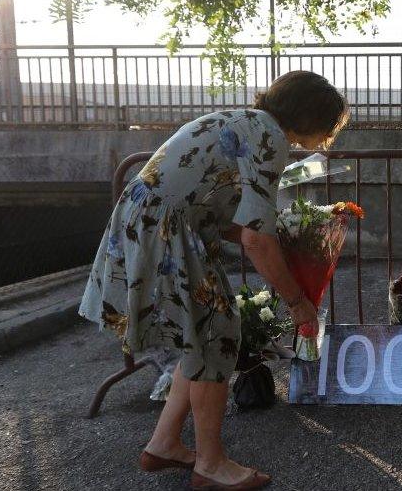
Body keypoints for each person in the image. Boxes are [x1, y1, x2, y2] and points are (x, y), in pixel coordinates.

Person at [79, 70, 348, 490]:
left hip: (149, 222)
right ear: (313, 117)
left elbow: (231, 223)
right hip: (164, 231)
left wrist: (280, 247)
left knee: (206, 335)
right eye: (329, 126)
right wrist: (297, 302)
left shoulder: (240, 120)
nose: (326, 137)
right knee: (216, 335)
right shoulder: (268, 138)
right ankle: (210, 464)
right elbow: (256, 238)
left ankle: (165, 442)